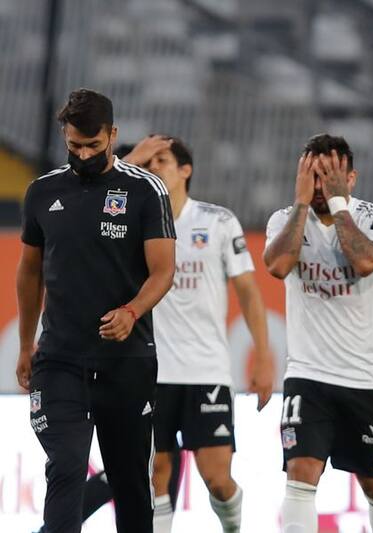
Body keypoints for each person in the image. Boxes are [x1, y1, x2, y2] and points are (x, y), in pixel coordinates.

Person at [16, 88, 176, 532]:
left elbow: (163, 271)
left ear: (112, 134)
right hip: (60, 358)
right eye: (74, 146)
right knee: (66, 465)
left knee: (129, 482)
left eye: (93, 145)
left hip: (126, 361)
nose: (83, 154)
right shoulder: (43, 191)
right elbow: (28, 272)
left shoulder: (146, 191)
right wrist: (26, 344)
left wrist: (132, 311)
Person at [115, 135, 274, 532]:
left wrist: (263, 356)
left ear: (185, 170)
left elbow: (249, 293)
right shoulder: (133, 222)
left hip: (206, 370)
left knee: (216, 479)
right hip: (152, 369)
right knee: (157, 472)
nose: (153, 169)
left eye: (162, 161)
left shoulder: (217, 222)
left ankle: (233, 525)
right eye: (147, 164)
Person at [264, 134, 373, 533]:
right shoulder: (284, 219)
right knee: (300, 475)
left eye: (328, 175)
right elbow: (277, 266)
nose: (319, 184)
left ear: (350, 178)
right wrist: (301, 203)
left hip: (367, 378)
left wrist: (339, 205)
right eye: (312, 175)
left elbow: (365, 261)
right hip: (308, 375)